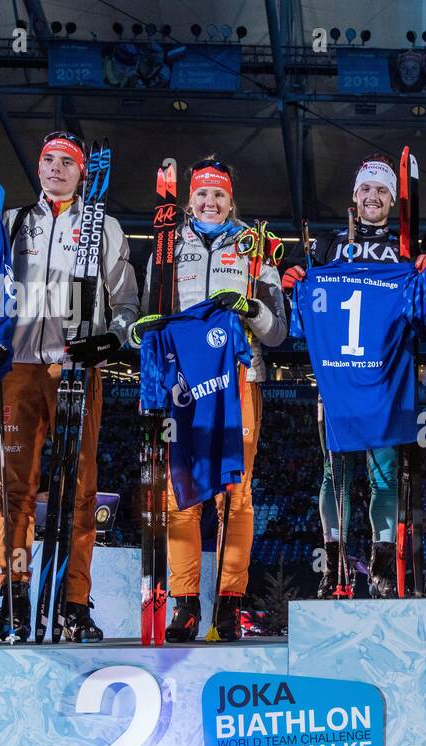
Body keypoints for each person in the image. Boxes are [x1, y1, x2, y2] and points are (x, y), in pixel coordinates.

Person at [0, 130, 139, 643]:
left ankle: (73, 601)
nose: (56, 168)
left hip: (75, 369)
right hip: (19, 368)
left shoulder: (102, 226)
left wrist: (110, 339)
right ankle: (13, 596)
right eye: (48, 160)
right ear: (38, 167)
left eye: (67, 162)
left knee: (79, 493)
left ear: (82, 171)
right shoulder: (12, 223)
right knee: (14, 493)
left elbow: (129, 304)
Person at [135, 157, 286, 642]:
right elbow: (146, 321)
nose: (210, 201)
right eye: (201, 193)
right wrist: (143, 337)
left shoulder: (253, 246)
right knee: (179, 492)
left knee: (235, 495)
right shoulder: (166, 245)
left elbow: (279, 330)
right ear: (188, 199)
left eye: (218, 194)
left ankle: (228, 603)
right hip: (181, 385)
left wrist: (250, 307)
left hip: (240, 377)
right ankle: (184, 605)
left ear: (231, 198)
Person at [282, 153, 426, 598]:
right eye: (366, 189)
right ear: (354, 197)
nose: (373, 197)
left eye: (382, 190)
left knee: (384, 475)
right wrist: (292, 278)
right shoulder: (327, 245)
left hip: (388, 378)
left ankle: (382, 563)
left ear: (393, 199)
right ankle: (333, 564)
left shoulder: (407, 248)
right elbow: (293, 297)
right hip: (338, 378)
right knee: (335, 474)